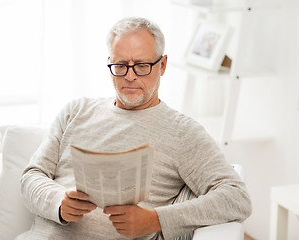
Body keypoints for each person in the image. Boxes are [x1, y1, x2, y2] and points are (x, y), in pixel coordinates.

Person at [16, 17, 252, 240]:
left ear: (162, 65)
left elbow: (236, 198)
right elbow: (31, 177)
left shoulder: (183, 132)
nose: (129, 76)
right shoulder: (75, 111)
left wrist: (156, 220)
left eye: (141, 66)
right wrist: (59, 202)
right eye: (120, 66)